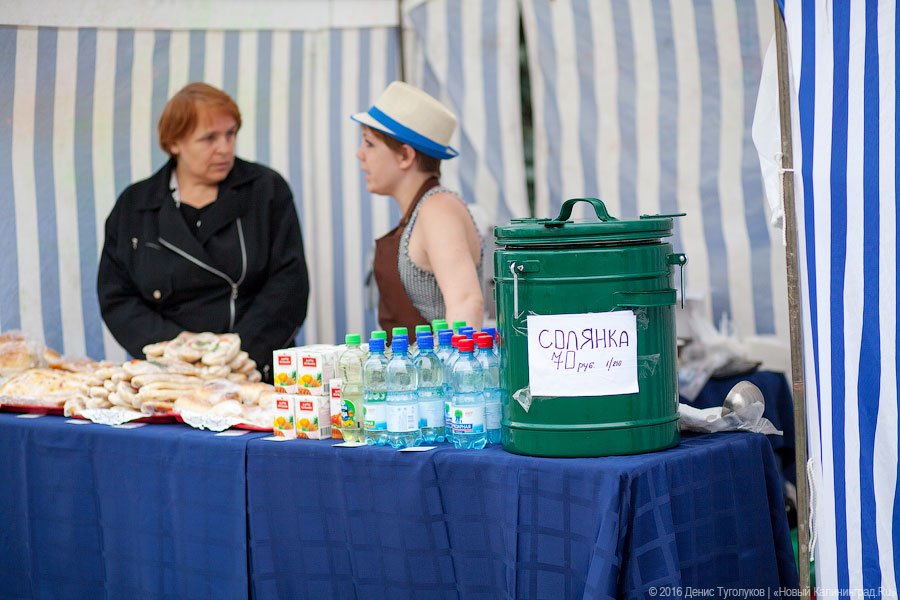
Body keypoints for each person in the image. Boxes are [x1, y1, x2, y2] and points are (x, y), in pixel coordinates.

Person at [97, 82, 309, 382]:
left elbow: (289, 283)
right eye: (209, 138)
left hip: (255, 369)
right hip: (170, 374)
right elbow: (118, 297)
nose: (224, 148)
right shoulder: (136, 206)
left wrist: (235, 356)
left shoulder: (266, 190)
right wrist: (181, 351)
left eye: (230, 134)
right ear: (174, 143)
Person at [352, 81, 483, 335]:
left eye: (369, 143)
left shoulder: (438, 209)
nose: (360, 154)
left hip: (435, 373)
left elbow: (466, 303)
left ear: (405, 156)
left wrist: (456, 371)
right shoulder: (422, 211)